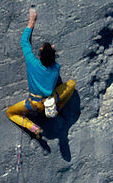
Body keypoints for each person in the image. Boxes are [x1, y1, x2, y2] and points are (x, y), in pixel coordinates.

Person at [6, 7, 75, 139]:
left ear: (40, 54)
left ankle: (33, 127)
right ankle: (57, 108)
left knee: (11, 113)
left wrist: (31, 22)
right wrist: (51, 50)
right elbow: (51, 58)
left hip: (33, 104)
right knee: (71, 84)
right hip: (49, 101)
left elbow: (24, 42)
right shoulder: (56, 68)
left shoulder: (32, 62)